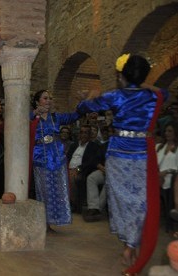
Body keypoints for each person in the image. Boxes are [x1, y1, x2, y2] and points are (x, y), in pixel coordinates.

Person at [77, 54, 168, 274]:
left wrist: (89, 95)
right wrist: (140, 83)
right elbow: (164, 93)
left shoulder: (116, 96)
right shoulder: (154, 97)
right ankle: (131, 244)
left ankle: (129, 243)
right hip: (142, 155)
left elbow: (83, 108)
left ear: (122, 76)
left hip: (118, 153)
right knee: (140, 201)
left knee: (121, 200)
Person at [31, 90, 79, 230]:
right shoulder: (33, 118)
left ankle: (54, 220)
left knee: (57, 190)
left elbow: (73, 116)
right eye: (45, 98)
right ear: (37, 101)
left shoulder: (56, 117)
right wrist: (34, 113)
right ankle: (44, 222)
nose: (48, 101)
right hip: (41, 158)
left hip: (57, 158)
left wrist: (82, 102)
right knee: (44, 191)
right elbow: (19, 121)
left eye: (50, 98)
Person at [66, 125, 100, 213]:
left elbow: (91, 162)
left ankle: (73, 204)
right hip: (67, 168)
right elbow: (67, 158)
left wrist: (77, 169)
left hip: (82, 170)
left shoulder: (94, 146)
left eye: (86, 132)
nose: (84, 135)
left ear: (90, 134)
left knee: (74, 178)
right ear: (79, 134)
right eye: (82, 132)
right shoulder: (74, 145)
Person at [155, 122, 178, 230]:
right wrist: (158, 173)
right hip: (156, 177)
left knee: (171, 181)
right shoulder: (158, 147)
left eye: (170, 131)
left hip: (172, 177)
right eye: (166, 131)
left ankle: (170, 223)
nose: (167, 133)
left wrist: (166, 172)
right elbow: (152, 164)